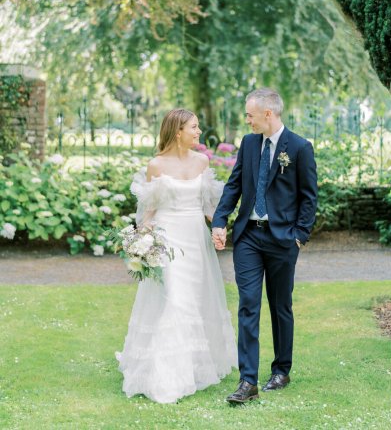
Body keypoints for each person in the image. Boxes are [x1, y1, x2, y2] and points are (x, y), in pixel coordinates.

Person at [116, 108, 237, 404]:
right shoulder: (155, 165)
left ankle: (193, 368)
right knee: (176, 300)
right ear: (177, 131)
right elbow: (149, 211)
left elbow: (208, 207)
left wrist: (219, 229)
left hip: (195, 240)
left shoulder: (202, 161)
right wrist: (140, 241)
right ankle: (166, 376)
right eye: (194, 127)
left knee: (194, 300)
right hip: (168, 241)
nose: (198, 132)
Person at [212, 88, 317, 404]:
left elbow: (309, 198)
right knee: (248, 303)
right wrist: (220, 220)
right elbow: (234, 185)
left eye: (250, 115)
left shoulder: (299, 148)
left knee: (280, 305)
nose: (247, 120)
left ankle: (281, 370)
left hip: (283, 238)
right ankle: (247, 381)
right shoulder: (249, 143)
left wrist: (298, 236)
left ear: (268, 114)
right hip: (249, 237)